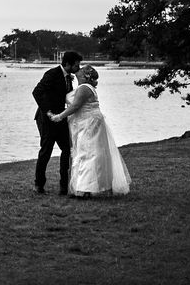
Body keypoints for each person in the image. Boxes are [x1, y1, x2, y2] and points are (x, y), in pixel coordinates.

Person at [49, 65, 131, 197]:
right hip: (86, 122)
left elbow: (75, 106)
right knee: (87, 153)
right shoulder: (84, 87)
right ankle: (84, 187)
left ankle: (86, 189)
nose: (77, 71)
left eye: (80, 70)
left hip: (89, 123)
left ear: (84, 75)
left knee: (87, 154)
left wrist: (59, 116)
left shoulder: (84, 88)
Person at [32, 50, 81, 194]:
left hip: (61, 118)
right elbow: (37, 92)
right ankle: (39, 184)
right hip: (46, 119)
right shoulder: (52, 74)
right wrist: (48, 112)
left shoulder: (69, 78)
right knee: (46, 150)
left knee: (67, 149)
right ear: (68, 64)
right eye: (76, 65)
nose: (78, 67)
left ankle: (64, 186)